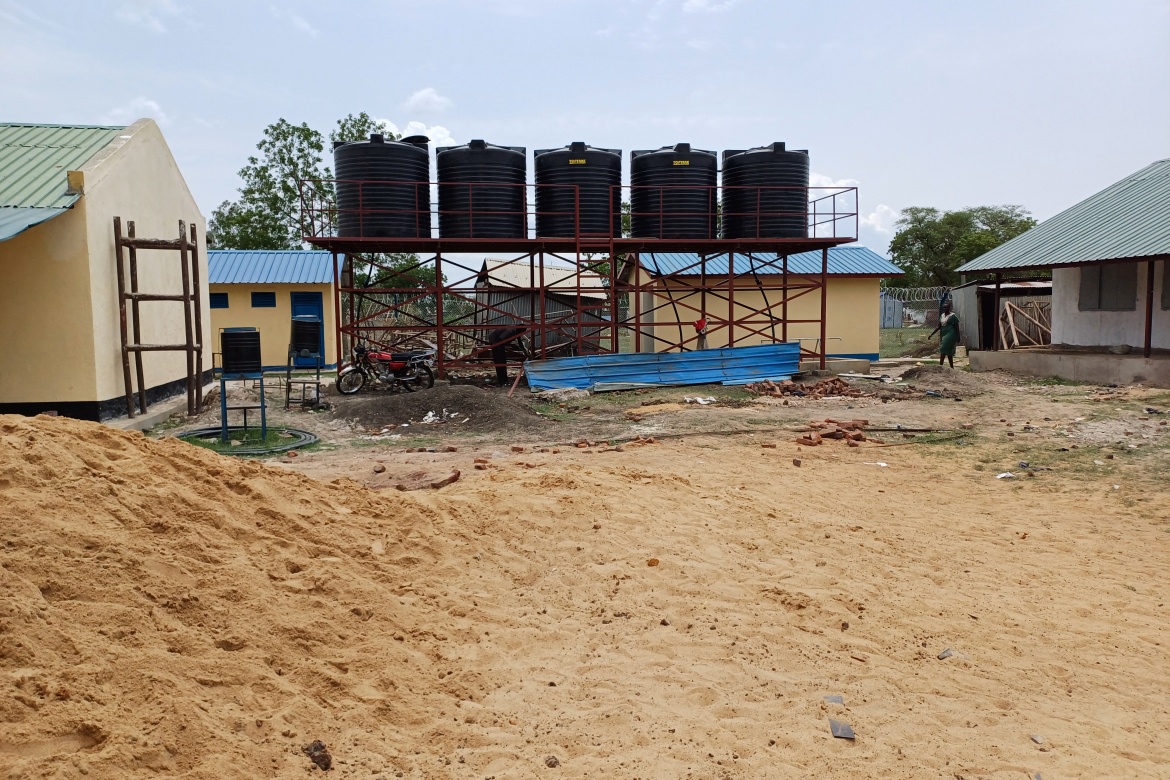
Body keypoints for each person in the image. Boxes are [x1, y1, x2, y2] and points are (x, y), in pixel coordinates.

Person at [930, 302, 960, 368]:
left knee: (943, 348)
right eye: (944, 307)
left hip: (951, 334)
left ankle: (940, 366)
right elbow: (939, 326)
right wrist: (931, 334)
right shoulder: (942, 316)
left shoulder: (953, 316)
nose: (945, 309)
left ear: (949, 308)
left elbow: (957, 327)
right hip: (944, 333)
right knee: (949, 351)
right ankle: (952, 367)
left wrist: (958, 336)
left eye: (946, 307)